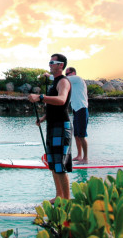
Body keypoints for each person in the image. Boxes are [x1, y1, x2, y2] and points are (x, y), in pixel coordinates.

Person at [28, 53, 72, 201]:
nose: (50, 64)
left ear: (61, 65)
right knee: (53, 164)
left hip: (61, 125)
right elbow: (54, 106)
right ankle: (59, 196)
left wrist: (40, 97)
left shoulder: (63, 82)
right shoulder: (55, 81)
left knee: (60, 165)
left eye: (53, 62)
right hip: (53, 124)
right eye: (49, 62)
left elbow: (61, 100)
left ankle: (66, 199)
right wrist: (44, 117)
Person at [66, 67, 89, 164]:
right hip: (76, 110)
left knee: (82, 135)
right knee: (76, 135)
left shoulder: (77, 79)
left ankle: (85, 158)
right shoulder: (72, 84)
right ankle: (79, 156)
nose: (67, 75)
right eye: (66, 74)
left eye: (68, 73)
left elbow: (61, 78)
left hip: (82, 109)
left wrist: (49, 76)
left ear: (73, 73)